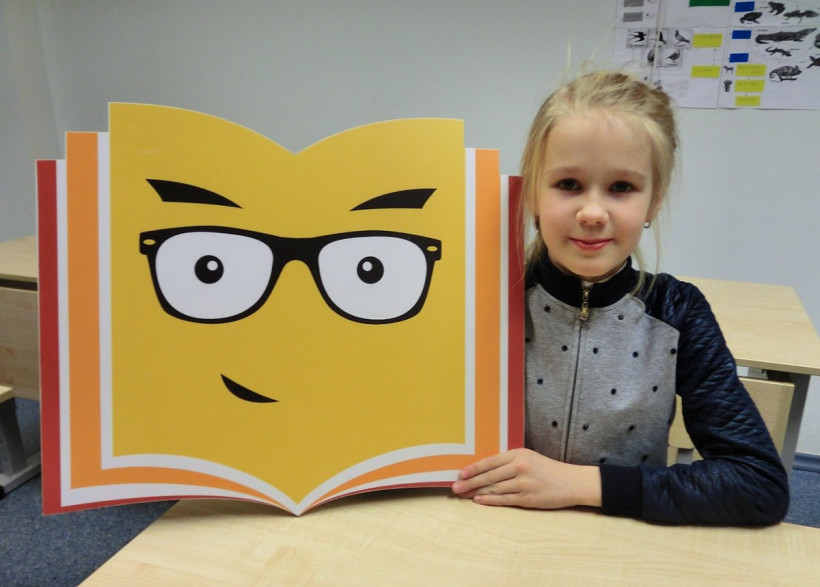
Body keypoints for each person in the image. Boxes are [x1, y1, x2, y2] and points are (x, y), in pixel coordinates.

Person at [451, 70, 789, 525]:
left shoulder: (678, 312)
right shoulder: (482, 294)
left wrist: (578, 484)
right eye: (568, 184)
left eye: (622, 188)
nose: (592, 212)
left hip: (621, 541)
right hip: (490, 529)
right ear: (531, 192)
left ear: (653, 202)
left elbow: (758, 486)